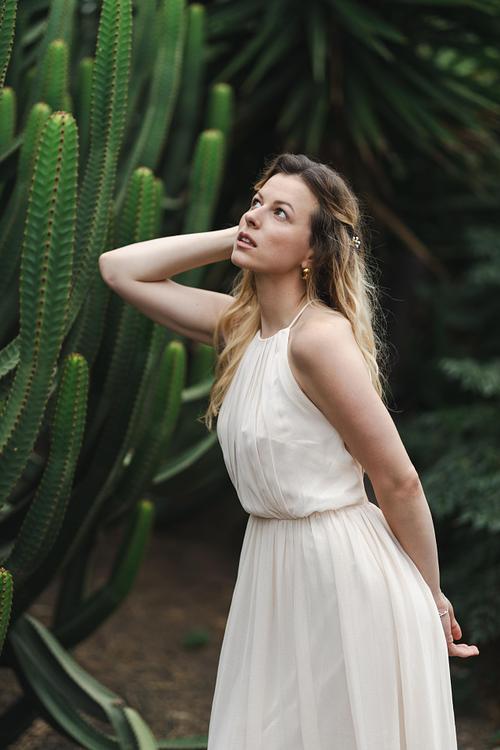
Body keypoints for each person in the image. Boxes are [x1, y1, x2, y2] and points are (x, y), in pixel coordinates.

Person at [99, 152, 479, 749]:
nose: (255, 216)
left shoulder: (318, 341)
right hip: (273, 569)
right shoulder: (241, 330)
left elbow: (398, 479)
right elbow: (120, 269)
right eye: (256, 203)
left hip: (343, 576)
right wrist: (240, 234)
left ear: (313, 251)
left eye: (281, 213)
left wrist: (431, 599)